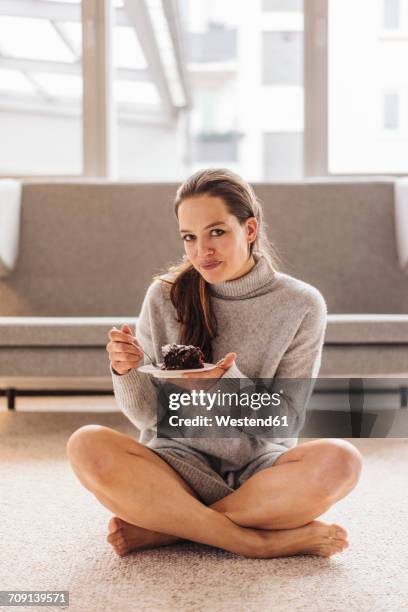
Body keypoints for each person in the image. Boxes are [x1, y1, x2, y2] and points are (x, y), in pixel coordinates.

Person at [66, 169, 363, 560]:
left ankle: (170, 528)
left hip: (261, 472)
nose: (201, 250)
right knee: (86, 443)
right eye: (189, 237)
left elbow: (287, 419)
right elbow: (145, 416)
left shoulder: (303, 305)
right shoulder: (164, 296)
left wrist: (220, 386)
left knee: (343, 461)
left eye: (217, 232)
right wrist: (126, 371)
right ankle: (256, 540)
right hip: (176, 466)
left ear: (250, 229)